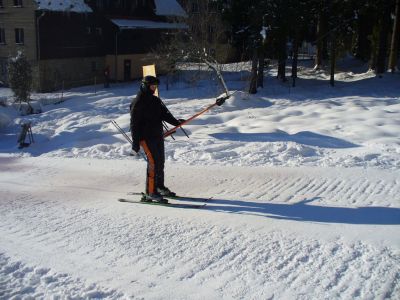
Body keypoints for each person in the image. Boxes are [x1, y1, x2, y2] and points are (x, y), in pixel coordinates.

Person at [130, 75, 183, 203]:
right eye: (152, 86)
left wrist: (176, 122)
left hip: (157, 135)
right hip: (146, 138)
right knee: (153, 164)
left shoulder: (155, 100)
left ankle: (159, 187)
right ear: (145, 86)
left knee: (160, 162)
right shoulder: (138, 102)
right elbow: (134, 125)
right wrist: (135, 143)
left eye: (155, 86)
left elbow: (164, 114)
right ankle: (150, 192)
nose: (154, 88)